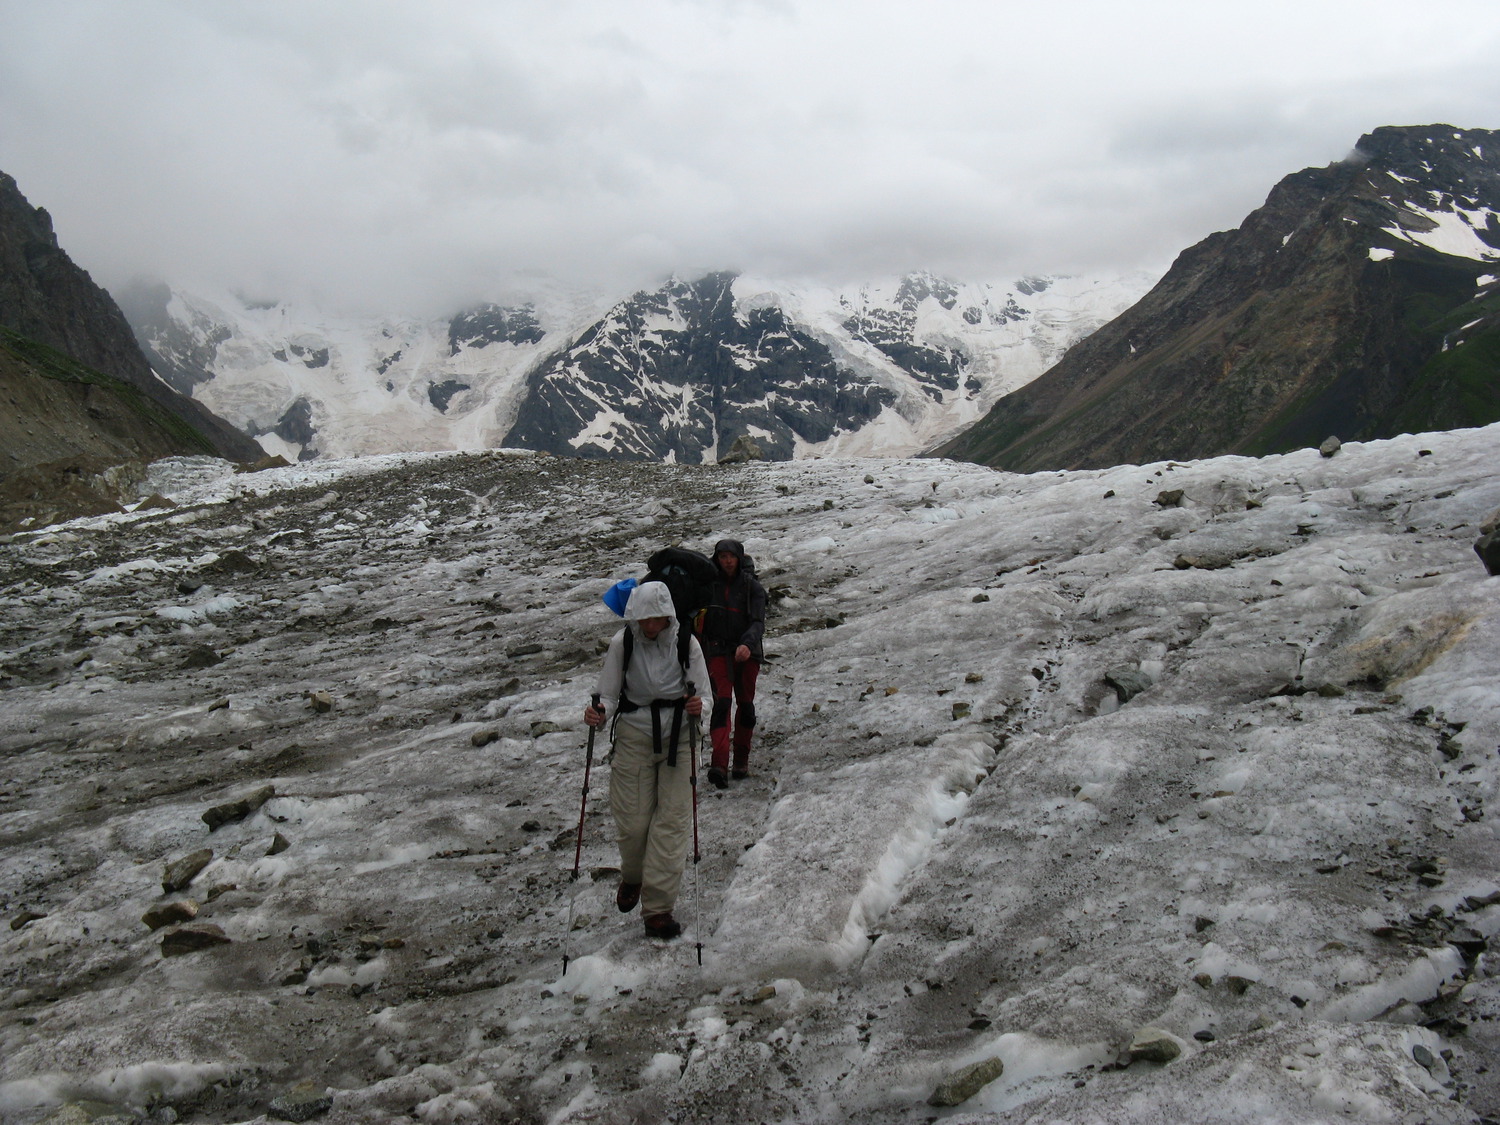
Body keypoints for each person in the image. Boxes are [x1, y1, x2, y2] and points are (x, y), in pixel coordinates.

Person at [583, 580, 708, 940]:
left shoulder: (687, 644)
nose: (651, 627)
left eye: (657, 619)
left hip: (681, 735)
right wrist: (599, 712)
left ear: (668, 616)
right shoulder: (623, 643)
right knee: (634, 821)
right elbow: (607, 692)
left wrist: (702, 708)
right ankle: (634, 875)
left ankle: (657, 909)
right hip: (635, 733)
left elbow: (703, 692)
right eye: (644, 620)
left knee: (671, 822)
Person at [699, 538, 766, 789]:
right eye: (722, 556)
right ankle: (719, 763)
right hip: (718, 651)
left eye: (731, 556)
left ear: (739, 558)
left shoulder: (752, 588)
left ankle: (741, 760)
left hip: (748, 654)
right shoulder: (709, 586)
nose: (727, 561)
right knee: (722, 704)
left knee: (745, 706)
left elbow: (758, 622)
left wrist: (747, 644)